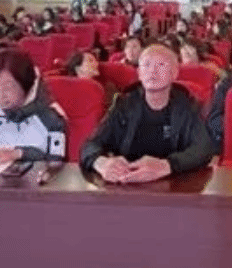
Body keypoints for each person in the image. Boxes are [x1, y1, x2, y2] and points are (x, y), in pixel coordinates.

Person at [79, 45, 213, 183]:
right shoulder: (125, 103)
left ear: (174, 73)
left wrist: (166, 165)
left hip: (174, 183)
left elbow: (204, 148)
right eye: (147, 65)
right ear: (139, 73)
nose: (152, 71)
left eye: (161, 65)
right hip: (127, 181)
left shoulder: (187, 104)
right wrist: (102, 163)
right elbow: (90, 145)